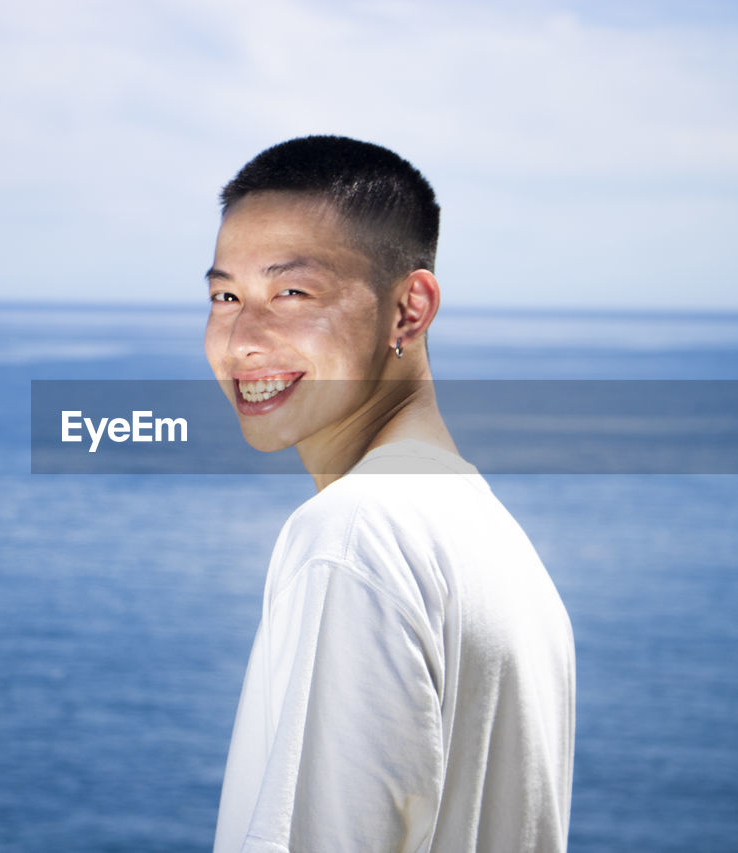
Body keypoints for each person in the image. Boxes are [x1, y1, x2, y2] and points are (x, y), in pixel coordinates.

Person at [205, 136, 575, 852]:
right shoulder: (495, 540)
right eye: (226, 295)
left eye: (291, 292)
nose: (243, 338)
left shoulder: (353, 534)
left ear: (409, 310)